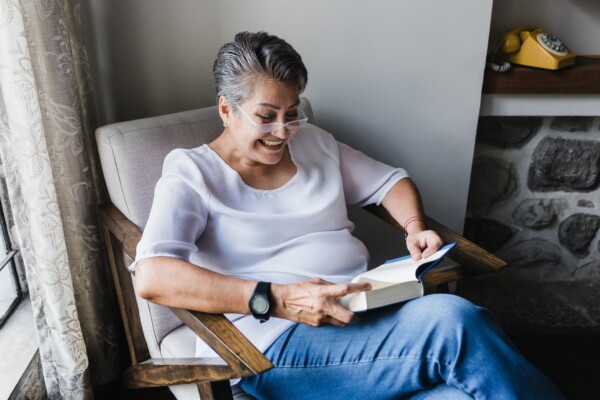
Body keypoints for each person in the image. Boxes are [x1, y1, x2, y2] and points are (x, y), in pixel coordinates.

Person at [133, 31, 565, 400]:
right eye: (266, 117)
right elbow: (153, 276)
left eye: (292, 114)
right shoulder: (192, 173)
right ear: (227, 109)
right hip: (275, 343)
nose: (282, 132)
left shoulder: (314, 143)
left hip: (365, 310)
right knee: (454, 322)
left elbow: (391, 183)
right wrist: (279, 299)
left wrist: (415, 228)